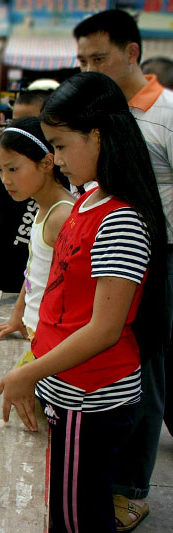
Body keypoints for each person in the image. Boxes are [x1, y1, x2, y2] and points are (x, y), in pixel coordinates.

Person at [0, 71, 167, 533]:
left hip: (89, 399)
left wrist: (26, 372)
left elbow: (105, 328)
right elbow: (58, 295)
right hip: (65, 384)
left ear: (97, 136)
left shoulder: (120, 220)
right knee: (70, 506)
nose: (55, 158)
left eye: (61, 144)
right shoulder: (89, 197)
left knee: (76, 519)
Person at [75, 9, 173, 527]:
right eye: (82, 59)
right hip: (103, 254)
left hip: (160, 258)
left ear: (132, 53)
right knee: (111, 358)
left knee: (146, 369)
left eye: (99, 58)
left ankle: (132, 487)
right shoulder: (99, 110)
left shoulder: (167, 113)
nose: (89, 68)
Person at [0, 117, 73, 347]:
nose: (5, 180)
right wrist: (18, 317)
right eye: (0, 170)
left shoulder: (62, 216)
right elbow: (34, 271)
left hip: (53, 341)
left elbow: (71, 293)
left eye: (13, 169)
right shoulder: (42, 207)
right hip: (37, 334)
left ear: (46, 163)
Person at [0, 89, 54, 292]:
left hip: (30, 272)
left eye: (29, 121)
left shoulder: (52, 170)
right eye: (15, 122)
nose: (19, 131)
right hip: (2, 260)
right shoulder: (9, 166)